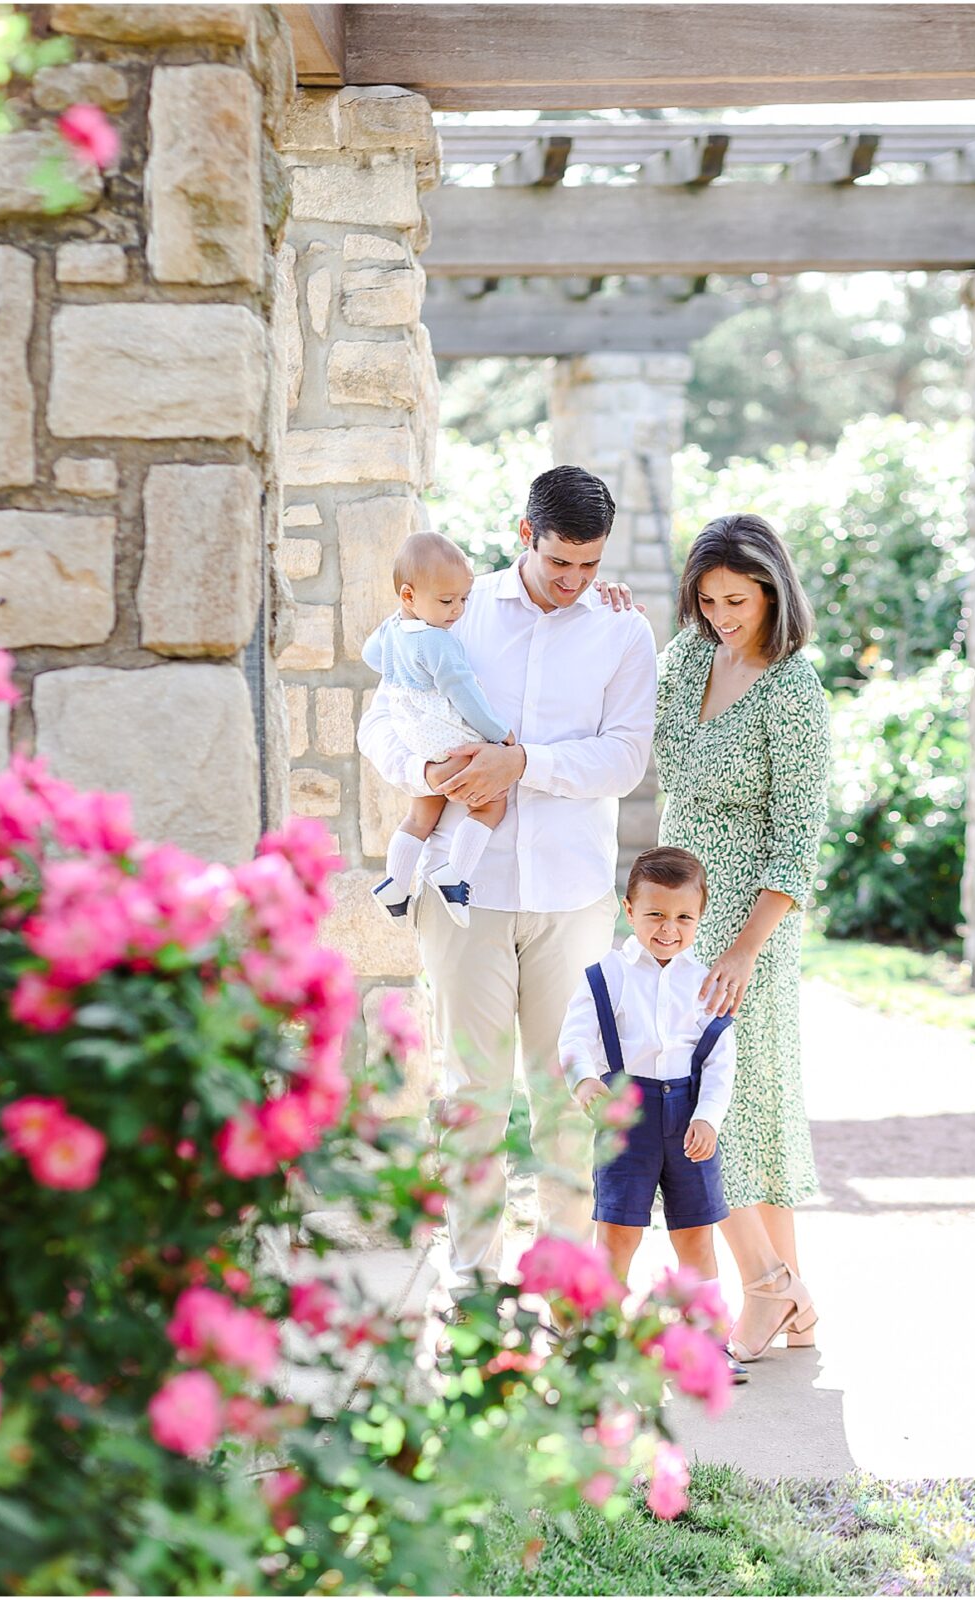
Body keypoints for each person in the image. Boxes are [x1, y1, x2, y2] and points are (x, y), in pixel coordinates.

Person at [357, 466, 657, 1307]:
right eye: (560, 562)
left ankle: (563, 1278)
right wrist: (431, 771)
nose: (574, 583)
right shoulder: (456, 607)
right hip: (466, 894)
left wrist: (522, 763)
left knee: (570, 1092)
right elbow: (379, 721)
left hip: (572, 897)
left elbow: (626, 758)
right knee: (471, 1091)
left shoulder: (622, 633)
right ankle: (469, 1273)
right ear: (525, 534)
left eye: (590, 567)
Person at [653, 512, 828, 1362]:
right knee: (741, 1105)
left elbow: (798, 838)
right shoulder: (688, 656)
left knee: (713, 1108)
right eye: (707, 597)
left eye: (737, 599)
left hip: (745, 925)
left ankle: (762, 1289)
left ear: (772, 591)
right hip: (679, 912)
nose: (720, 614)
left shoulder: (794, 690)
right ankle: (789, 1298)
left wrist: (744, 947)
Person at [558, 847, 737, 1303]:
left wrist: (709, 1117)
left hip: (688, 1118)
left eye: (684, 918)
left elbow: (719, 1058)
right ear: (629, 909)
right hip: (627, 1115)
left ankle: (705, 1341)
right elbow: (575, 1039)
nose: (668, 929)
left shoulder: (705, 983)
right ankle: (603, 1336)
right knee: (617, 1232)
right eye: (655, 914)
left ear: (699, 918)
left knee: (696, 1235)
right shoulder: (607, 976)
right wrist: (584, 1080)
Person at [361, 532, 515, 929]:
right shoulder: (439, 643)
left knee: (421, 812)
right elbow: (465, 697)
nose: (457, 611)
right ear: (409, 595)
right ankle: (455, 875)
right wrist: (500, 735)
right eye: (446, 601)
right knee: (490, 802)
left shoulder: (393, 629)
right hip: (449, 737)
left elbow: (370, 656)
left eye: (464, 599)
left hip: (416, 739)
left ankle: (395, 884)